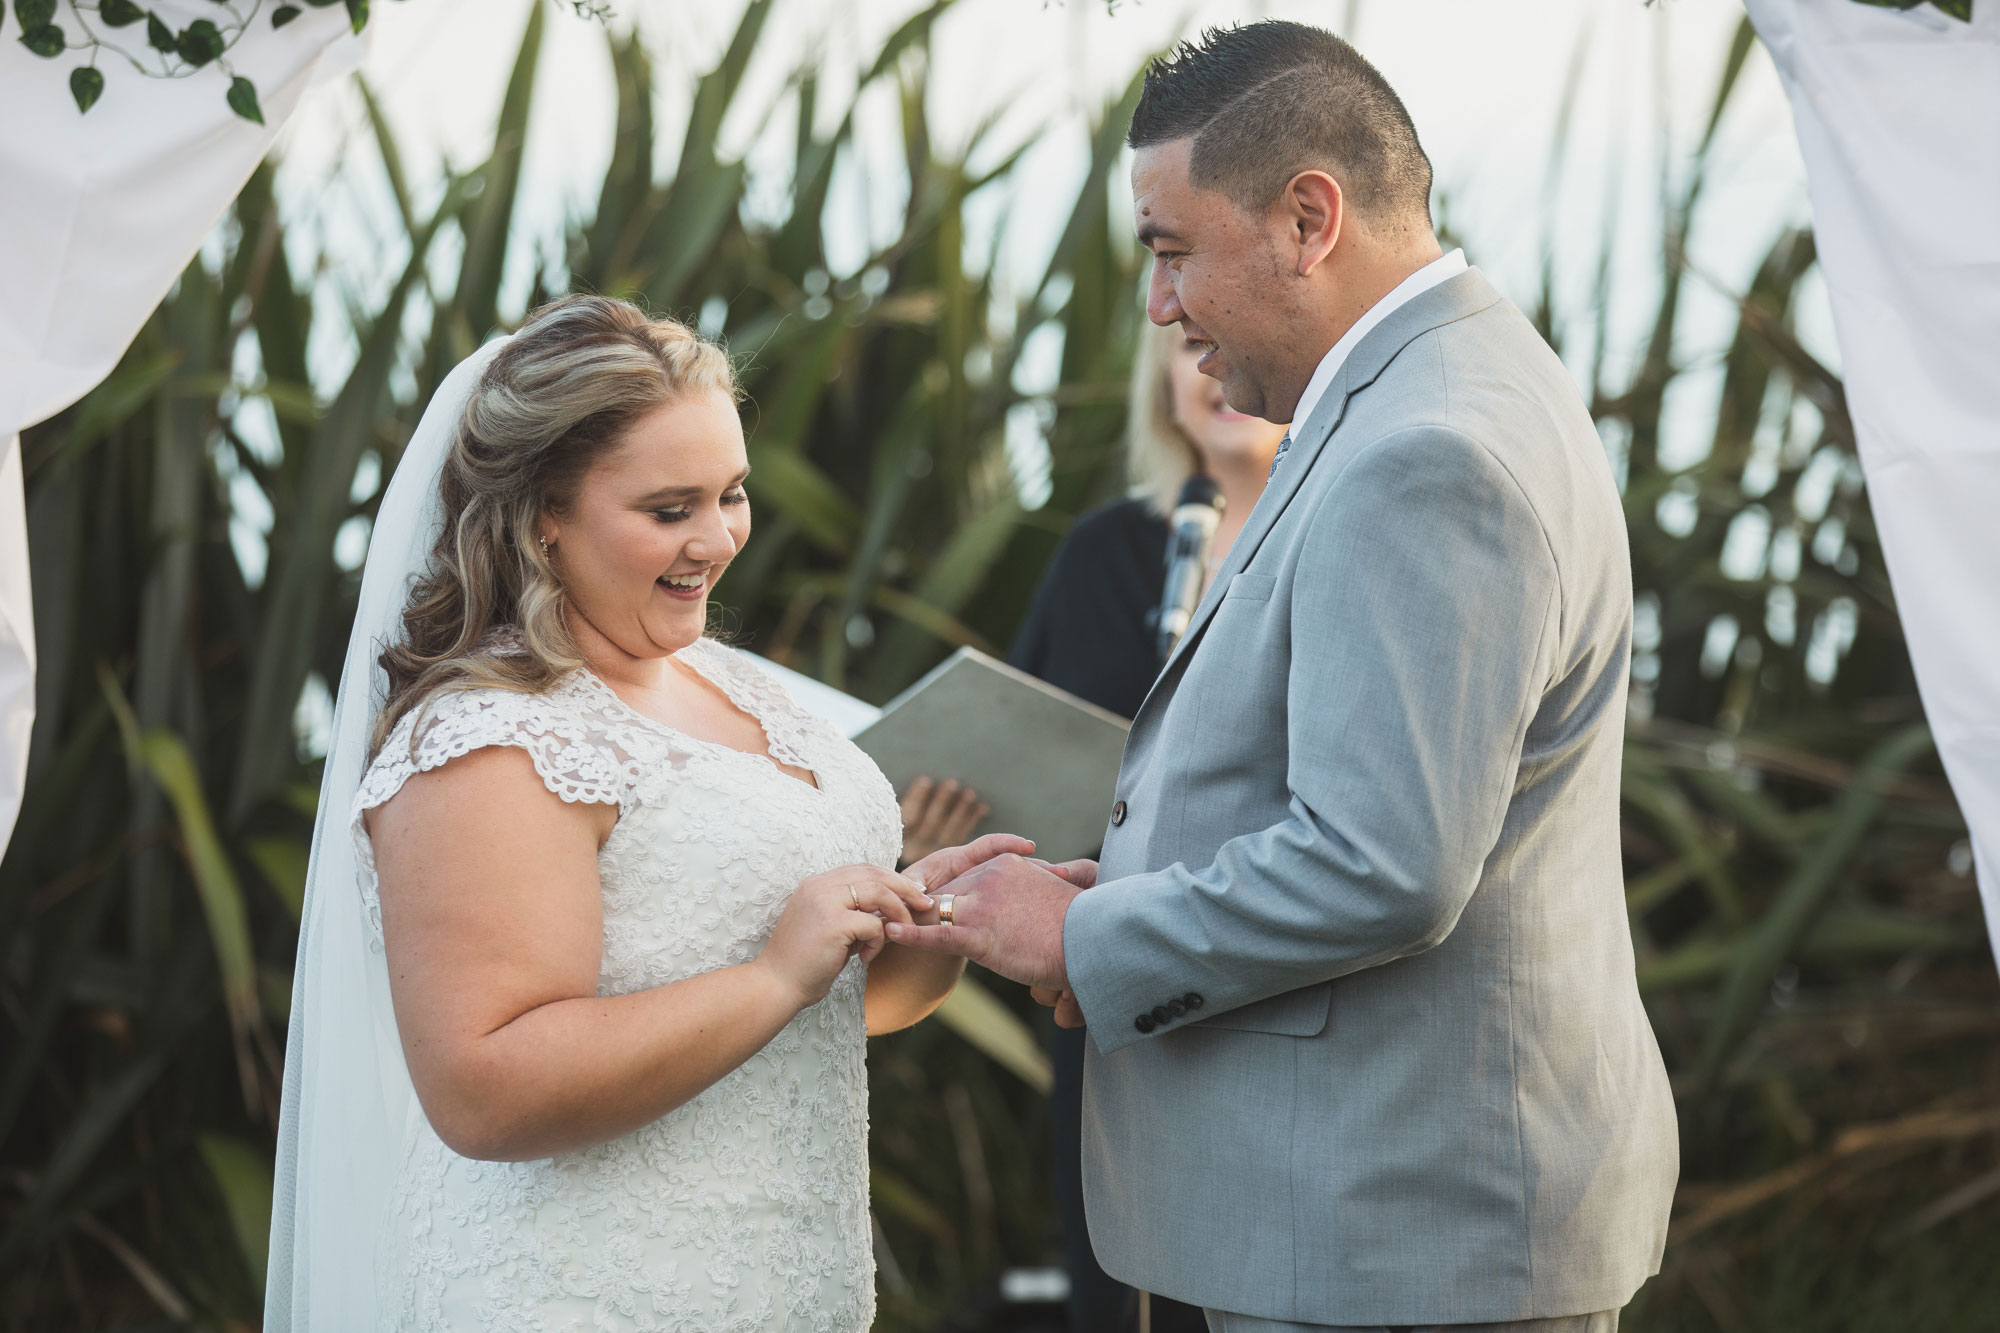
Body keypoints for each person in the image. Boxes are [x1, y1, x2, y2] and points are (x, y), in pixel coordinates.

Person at [888, 21, 1679, 1333]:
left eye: (1172, 250)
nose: (1160, 305)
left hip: (1399, 1242)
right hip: (1389, 1224)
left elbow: (1383, 861)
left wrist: (1080, 932)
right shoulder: (1442, 387)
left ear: (1309, 216)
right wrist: (1138, 879)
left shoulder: (1427, 454)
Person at [265, 295, 1027, 1332]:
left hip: (785, 1290)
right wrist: (769, 975)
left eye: (732, 494)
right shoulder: (492, 738)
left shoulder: (737, 685)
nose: (716, 539)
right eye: (669, 509)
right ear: (543, 513)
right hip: (580, 1295)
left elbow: (839, 1007)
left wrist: (929, 922)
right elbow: (483, 1089)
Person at [1011, 318, 1283, 1332]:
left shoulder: (1329, 535)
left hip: (1273, 978)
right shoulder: (1104, 552)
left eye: (1222, 338)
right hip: (1113, 990)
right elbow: (1025, 735)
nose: (1205, 369)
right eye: (1181, 347)